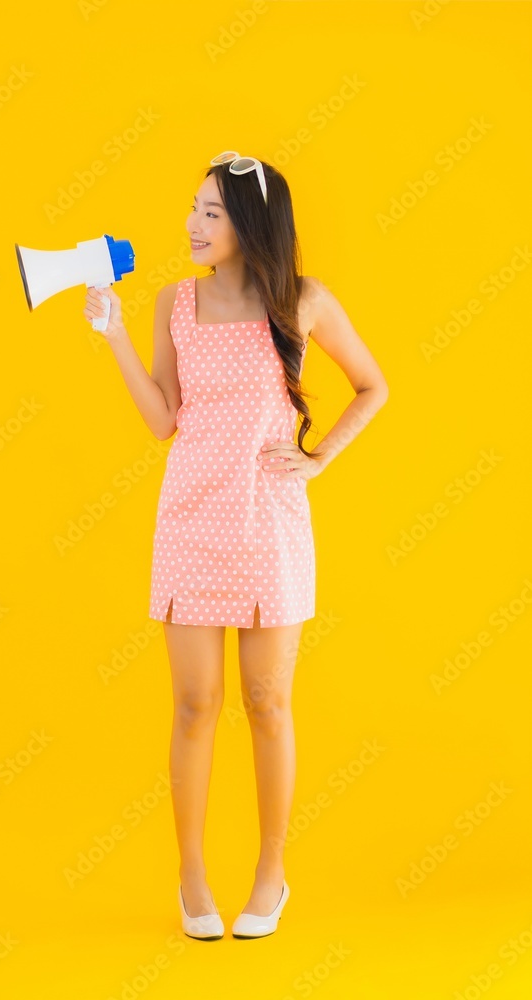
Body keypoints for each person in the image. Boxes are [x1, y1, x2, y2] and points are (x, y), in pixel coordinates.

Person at [84, 151, 388, 940]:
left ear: (251, 223)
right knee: (193, 707)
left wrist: (318, 458)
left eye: (210, 212)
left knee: (267, 704)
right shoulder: (173, 304)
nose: (190, 223)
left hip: (268, 524)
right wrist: (112, 333)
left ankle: (270, 876)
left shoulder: (302, 303)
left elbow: (371, 385)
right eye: (191, 207)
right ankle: (191, 878)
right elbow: (162, 419)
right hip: (189, 521)